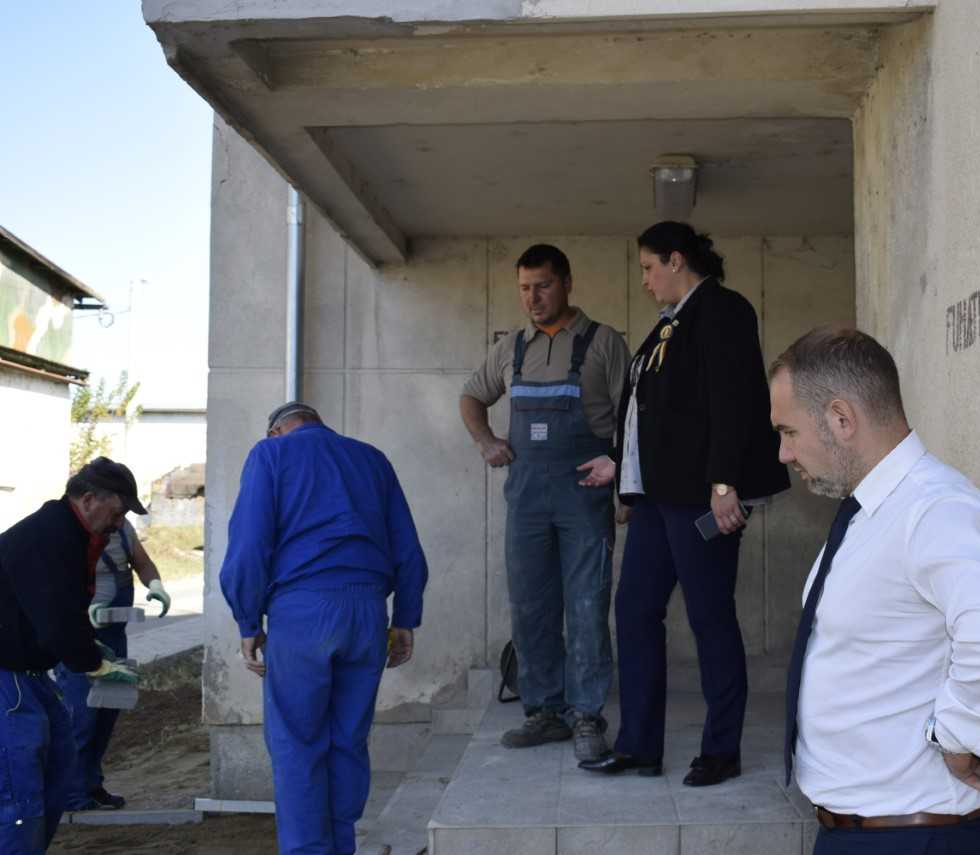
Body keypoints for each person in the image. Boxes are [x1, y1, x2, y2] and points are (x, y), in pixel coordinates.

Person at [769, 325, 980, 855]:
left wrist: (963, 736)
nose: (784, 453)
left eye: (788, 431)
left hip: (915, 838)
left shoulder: (933, 507)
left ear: (841, 419)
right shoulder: (871, 512)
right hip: (870, 832)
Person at [580, 222, 789, 787]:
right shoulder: (669, 325)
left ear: (676, 260)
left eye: (649, 268)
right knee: (634, 609)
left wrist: (723, 483)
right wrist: (620, 467)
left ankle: (721, 750)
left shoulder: (722, 310)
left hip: (699, 499)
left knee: (709, 615)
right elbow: (655, 415)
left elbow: (733, 402)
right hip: (658, 499)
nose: (645, 281)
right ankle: (639, 746)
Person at [220, 402, 428, 855]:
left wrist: (247, 620)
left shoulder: (270, 455)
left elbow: (249, 544)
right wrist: (405, 617)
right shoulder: (371, 459)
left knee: (298, 742)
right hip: (367, 613)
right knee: (348, 739)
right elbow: (407, 546)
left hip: (302, 612)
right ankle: (341, 845)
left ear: (277, 430)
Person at [459, 243, 630, 762]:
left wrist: (627, 486)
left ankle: (587, 715)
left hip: (585, 494)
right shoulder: (511, 347)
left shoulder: (603, 343)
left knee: (586, 604)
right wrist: (487, 442)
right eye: (524, 289)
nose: (533, 298)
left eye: (543, 286)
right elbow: (471, 396)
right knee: (531, 604)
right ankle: (544, 712)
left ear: (567, 284)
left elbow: (633, 418)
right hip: (527, 499)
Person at [0, 458, 143, 854]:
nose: (119, 523)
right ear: (89, 499)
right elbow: (56, 619)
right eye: (117, 512)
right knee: (20, 795)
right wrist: (92, 662)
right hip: (7, 674)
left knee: (60, 767)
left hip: (30, 673)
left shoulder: (70, 533)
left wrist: (89, 648)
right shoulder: (50, 536)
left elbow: (65, 611)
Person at [54, 518, 171, 811]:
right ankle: (71, 794)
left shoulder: (122, 527)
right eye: (117, 508)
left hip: (114, 635)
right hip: (80, 636)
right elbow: (54, 585)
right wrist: (84, 607)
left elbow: (142, 562)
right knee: (82, 716)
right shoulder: (67, 531)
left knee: (107, 713)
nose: (119, 515)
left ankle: (91, 785)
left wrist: (155, 584)